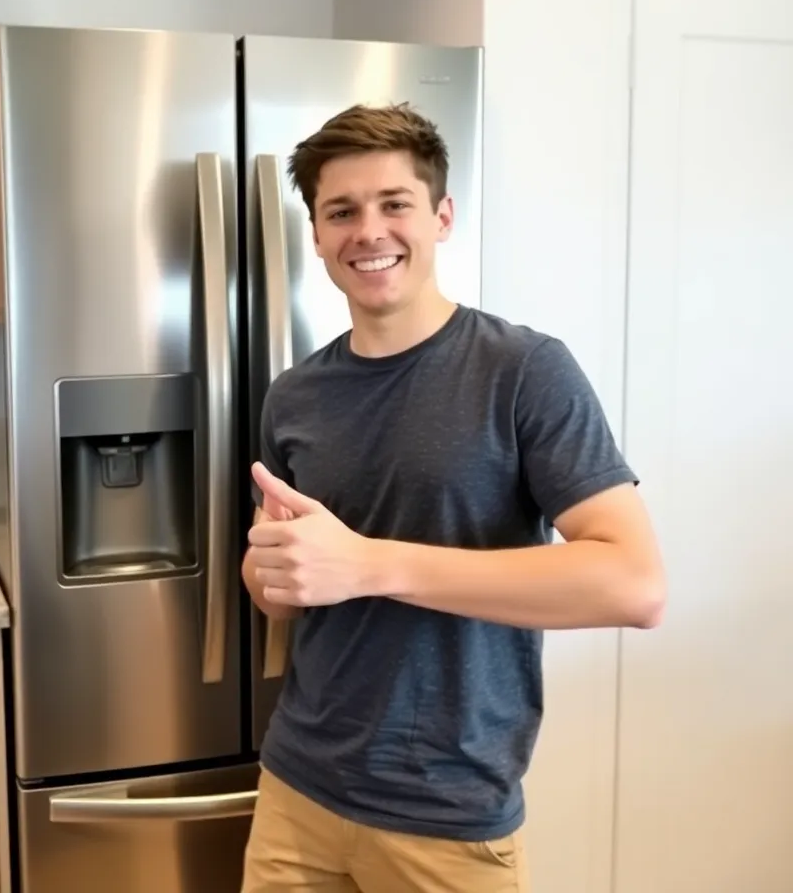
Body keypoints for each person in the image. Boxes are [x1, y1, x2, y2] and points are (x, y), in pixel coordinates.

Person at [239, 103, 666, 893]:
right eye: (342, 211)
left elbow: (633, 584)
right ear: (319, 237)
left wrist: (370, 564)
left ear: (441, 217)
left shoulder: (525, 371)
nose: (368, 230)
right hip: (296, 791)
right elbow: (284, 599)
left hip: (447, 817)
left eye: (393, 204)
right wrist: (270, 574)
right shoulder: (294, 396)